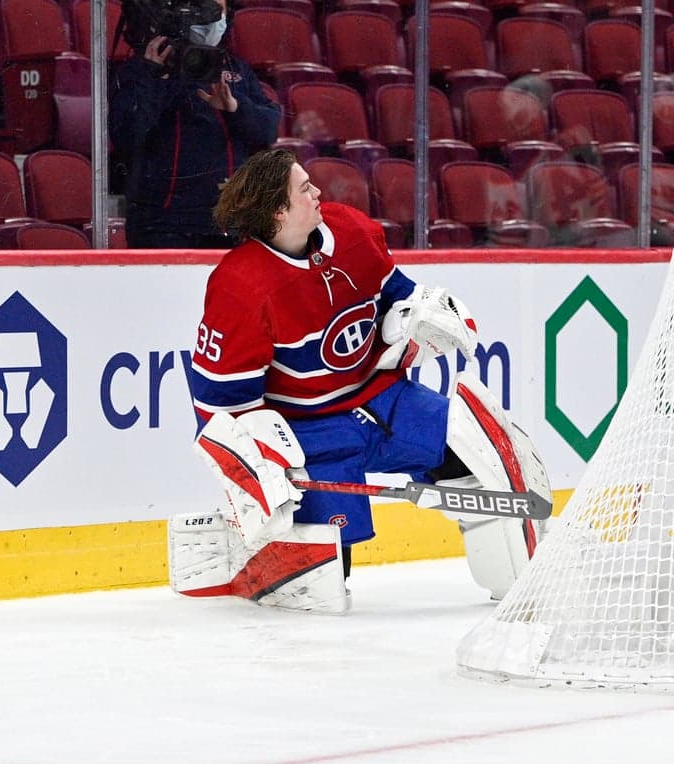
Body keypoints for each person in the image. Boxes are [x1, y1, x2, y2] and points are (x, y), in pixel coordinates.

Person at [175, 148, 550, 612]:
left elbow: (399, 293)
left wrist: (420, 315)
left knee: (479, 451)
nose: (317, 193)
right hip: (307, 427)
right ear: (278, 211)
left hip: (385, 398)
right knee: (323, 583)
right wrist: (256, 469)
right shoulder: (241, 287)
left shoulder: (350, 231)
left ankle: (518, 578)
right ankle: (267, 560)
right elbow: (222, 404)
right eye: (304, 188)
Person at [109, 0, 280, 248]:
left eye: (219, 8)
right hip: (163, 225)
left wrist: (235, 108)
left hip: (229, 221)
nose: (213, 18)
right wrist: (153, 77)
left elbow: (269, 128)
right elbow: (125, 134)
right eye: (205, 6)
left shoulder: (234, 68)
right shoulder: (144, 67)